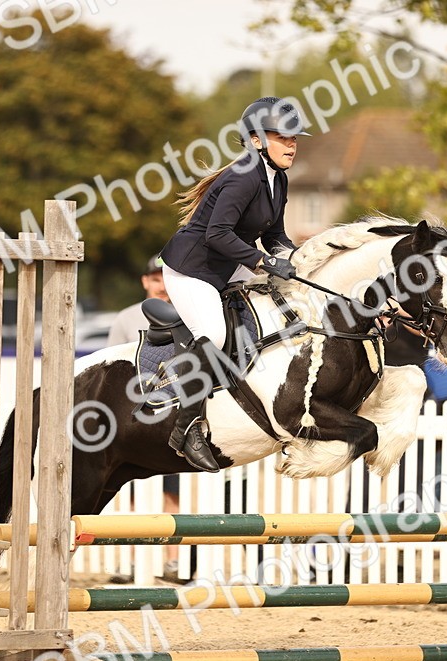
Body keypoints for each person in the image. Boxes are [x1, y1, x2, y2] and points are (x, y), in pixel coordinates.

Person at [158, 96, 308, 472]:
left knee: (287, 297)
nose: (292, 144)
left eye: (294, 138)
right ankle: (186, 427)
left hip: (226, 265)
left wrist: (298, 258)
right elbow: (216, 234)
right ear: (257, 140)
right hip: (193, 268)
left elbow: (274, 234)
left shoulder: (278, 179)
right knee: (213, 332)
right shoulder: (243, 176)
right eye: (283, 137)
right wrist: (263, 261)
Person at [107, 257, 183, 583]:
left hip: (174, 409)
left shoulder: (186, 312)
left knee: (173, 492)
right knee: (133, 493)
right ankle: (133, 562)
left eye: (165, 278)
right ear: (144, 281)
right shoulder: (126, 318)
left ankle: (173, 563)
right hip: (136, 411)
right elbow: (110, 364)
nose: (161, 284)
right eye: (155, 278)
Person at [106, 257, 171, 348]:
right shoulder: (125, 319)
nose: (162, 288)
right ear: (145, 282)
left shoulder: (187, 317)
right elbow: (111, 359)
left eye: (167, 280)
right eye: (156, 280)